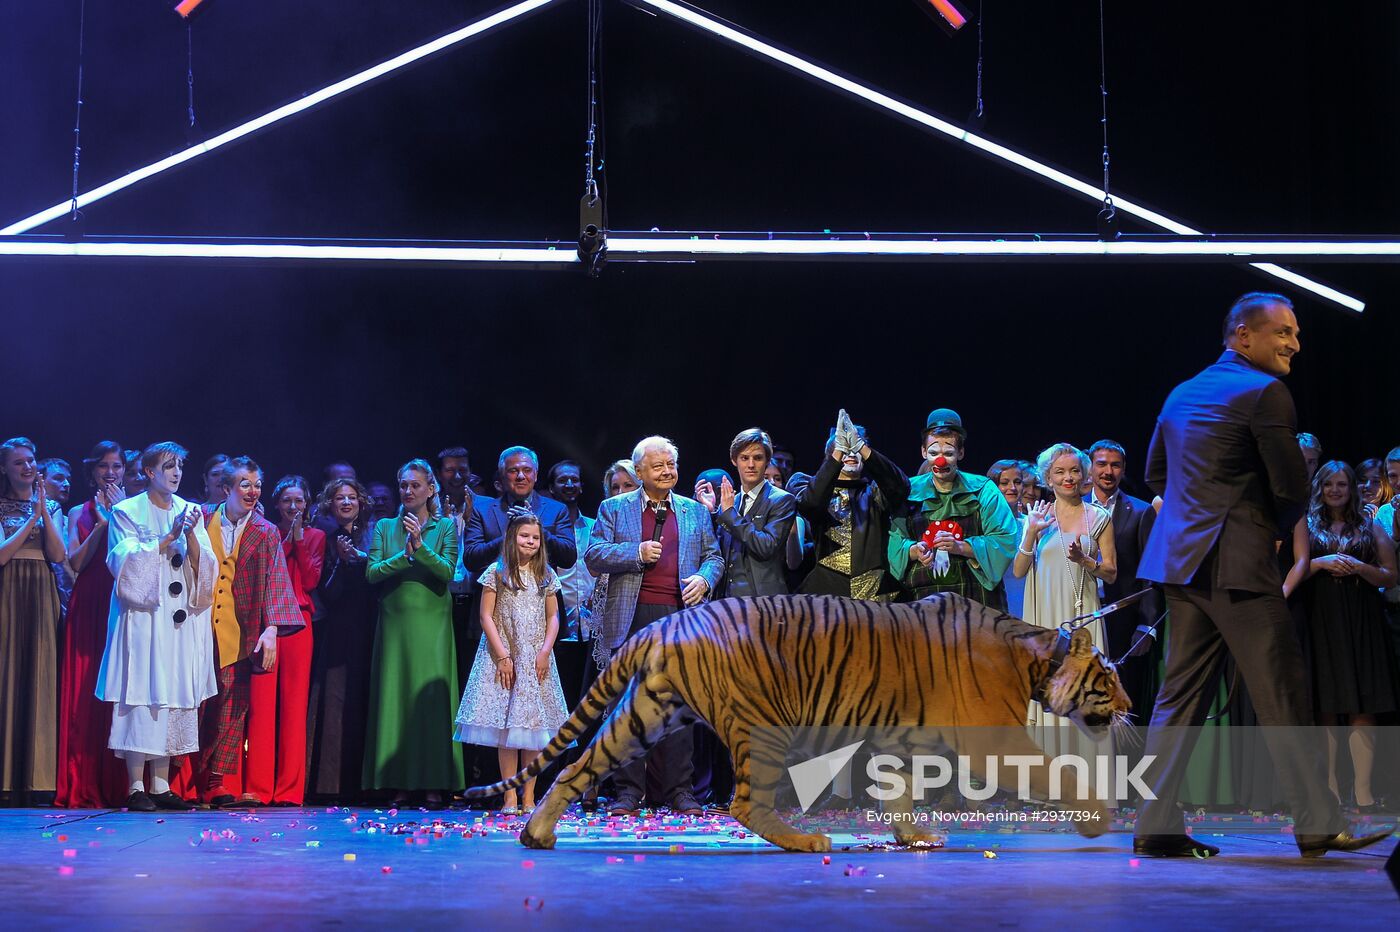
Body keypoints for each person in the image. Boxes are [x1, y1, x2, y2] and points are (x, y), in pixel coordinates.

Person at [1132, 291, 1388, 858]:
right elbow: (1293, 487)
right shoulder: (1265, 392)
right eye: (1284, 332)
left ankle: (1155, 825)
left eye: (1296, 333)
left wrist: (1194, 518)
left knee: (1177, 699)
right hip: (1239, 565)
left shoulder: (1181, 392)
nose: (1295, 343)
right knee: (1285, 694)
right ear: (1242, 336)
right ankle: (1318, 824)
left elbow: (1155, 473)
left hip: (1181, 565)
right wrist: (1266, 528)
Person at [585, 436, 723, 816]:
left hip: (680, 617)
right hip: (630, 616)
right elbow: (594, 553)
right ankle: (628, 791)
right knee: (627, 707)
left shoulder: (695, 511)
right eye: (658, 466)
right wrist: (635, 553)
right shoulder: (614, 508)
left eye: (671, 464)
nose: (667, 471)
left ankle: (681, 791)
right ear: (640, 472)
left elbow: (714, 556)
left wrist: (705, 580)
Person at [96, 442, 217, 812]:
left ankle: (162, 785)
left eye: (179, 465)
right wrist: (165, 540)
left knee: (173, 692)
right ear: (149, 472)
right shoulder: (127, 511)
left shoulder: (191, 510)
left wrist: (192, 535)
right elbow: (121, 563)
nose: (176, 473)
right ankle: (136, 785)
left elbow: (207, 565)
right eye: (168, 466)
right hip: (145, 619)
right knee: (143, 692)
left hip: (179, 622)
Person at [1283, 461, 1398, 812]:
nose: (1336, 490)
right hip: (1321, 616)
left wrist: (1360, 567)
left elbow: (1390, 576)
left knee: (1363, 705)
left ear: (1351, 488)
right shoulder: (1307, 522)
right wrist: (1321, 563)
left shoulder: (1368, 523)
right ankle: (1330, 788)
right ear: (1320, 487)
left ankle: (1362, 791)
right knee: (1327, 705)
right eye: (1329, 484)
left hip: (1361, 619)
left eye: (1343, 484)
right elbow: (1298, 566)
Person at [195, 456, 304, 808]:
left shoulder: (266, 531)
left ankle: (214, 782)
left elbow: (275, 579)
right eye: (245, 484)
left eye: (257, 485)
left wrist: (270, 629)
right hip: (194, 625)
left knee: (230, 705)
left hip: (237, 630)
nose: (253, 491)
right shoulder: (199, 518)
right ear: (226, 488)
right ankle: (181, 780)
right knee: (191, 702)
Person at [363, 459, 463, 808]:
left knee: (431, 701)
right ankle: (398, 782)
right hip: (395, 623)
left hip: (432, 622)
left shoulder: (445, 527)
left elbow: (448, 571)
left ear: (431, 489)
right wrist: (404, 558)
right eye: (403, 485)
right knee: (397, 698)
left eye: (415, 485)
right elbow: (372, 572)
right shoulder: (385, 526)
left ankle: (435, 782)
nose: (408, 491)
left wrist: (420, 546)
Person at [454, 514, 568, 813]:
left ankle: (529, 796)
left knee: (532, 730)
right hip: (503, 654)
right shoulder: (497, 572)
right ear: (511, 538)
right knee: (508, 731)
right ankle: (509, 797)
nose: (530, 542)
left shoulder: (545, 574)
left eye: (535, 537)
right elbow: (486, 616)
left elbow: (553, 616)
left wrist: (544, 651)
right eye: (524, 536)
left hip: (535, 657)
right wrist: (503, 656)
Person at [1012, 443, 1117, 753]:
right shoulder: (1038, 515)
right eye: (1060, 472)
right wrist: (1030, 533)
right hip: (1044, 618)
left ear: (1083, 474)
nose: (1068, 478)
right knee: (1049, 689)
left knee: (1086, 690)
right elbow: (1019, 571)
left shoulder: (1098, 517)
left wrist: (1085, 561)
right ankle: (1050, 787)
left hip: (1082, 617)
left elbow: (1110, 573)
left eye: (1074, 471)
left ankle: (1093, 784)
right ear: (1048, 478)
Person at [55, 441, 131, 808]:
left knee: (118, 692)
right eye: (104, 466)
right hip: (90, 602)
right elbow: (75, 564)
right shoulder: (76, 513)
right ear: (92, 471)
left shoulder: (134, 510)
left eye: (117, 465)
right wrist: (102, 524)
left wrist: (119, 515)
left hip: (123, 601)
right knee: (85, 692)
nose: (111, 472)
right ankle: (82, 782)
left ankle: (122, 783)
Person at [240, 476, 324, 805]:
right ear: (277, 504)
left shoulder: (316, 536)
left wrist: (299, 540)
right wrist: (285, 538)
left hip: (299, 623)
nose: (293, 507)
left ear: (307, 504)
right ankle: (258, 788)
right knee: (261, 707)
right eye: (287, 501)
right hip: (266, 623)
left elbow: (311, 578)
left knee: (293, 707)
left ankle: (289, 790)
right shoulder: (265, 532)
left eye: (299, 501)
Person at [888, 409, 1017, 609]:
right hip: (921, 598)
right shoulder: (908, 491)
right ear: (923, 452)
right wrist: (915, 550)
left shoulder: (983, 489)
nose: (940, 460)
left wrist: (960, 547)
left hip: (975, 597)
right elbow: (893, 540)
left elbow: (1005, 538)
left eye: (948, 453)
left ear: (961, 453)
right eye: (933, 453)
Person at [0, 437, 66, 802]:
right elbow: (3, 555)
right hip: (9, 591)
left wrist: (44, 512)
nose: (28, 467)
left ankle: (37, 779)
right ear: (5, 469)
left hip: (41, 592)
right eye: (19, 462)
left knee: (39, 675)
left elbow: (57, 554)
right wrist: (32, 519)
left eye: (31, 460)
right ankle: (6, 779)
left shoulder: (51, 505)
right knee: (7, 675)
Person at [306, 477, 379, 801]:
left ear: (361, 502)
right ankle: (332, 786)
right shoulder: (327, 539)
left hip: (371, 628)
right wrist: (340, 562)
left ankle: (368, 785)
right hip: (338, 632)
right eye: (340, 499)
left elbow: (381, 581)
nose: (346, 503)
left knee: (365, 702)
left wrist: (359, 560)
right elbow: (326, 593)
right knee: (335, 705)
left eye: (352, 497)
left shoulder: (375, 534)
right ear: (330, 506)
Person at [789, 411, 909, 601]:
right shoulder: (806, 485)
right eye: (845, 448)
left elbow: (900, 487)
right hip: (826, 595)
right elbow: (810, 504)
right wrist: (838, 449)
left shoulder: (875, 493)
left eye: (855, 449)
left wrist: (861, 446)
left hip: (876, 595)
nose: (850, 453)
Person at [1085, 439, 1161, 721]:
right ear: (1089, 468)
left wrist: (1147, 625)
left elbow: (1150, 571)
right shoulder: (1071, 509)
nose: (1108, 471)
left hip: (1124, 621)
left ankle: (1129, 764)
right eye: (1101, 464)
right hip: (1084, 617)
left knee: (1123, 703)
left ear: (1123, 469)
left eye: (1115, 465)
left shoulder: (1141, 512)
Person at [695, 428, 797, 599]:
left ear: (767, 461)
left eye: (757, 458)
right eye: (744, 458)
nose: (751, 465)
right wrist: (712, 512)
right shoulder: (730, 502)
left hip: (763, 602)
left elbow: (766, 546)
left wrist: (728, 514)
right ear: (734, 461)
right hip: (725, 601)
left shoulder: (782, 500)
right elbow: (715, 551)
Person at [463, 446, 577, 578]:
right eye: (513, 471)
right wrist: (508, 538)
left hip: (543, 595)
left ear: (535, 475)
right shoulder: (482, 510)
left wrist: (538, 530)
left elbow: (568, 558)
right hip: (495, 595)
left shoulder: (557, 509)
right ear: (502, 476)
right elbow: (471, 560)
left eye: (527, 470)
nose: (521, 476)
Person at [547, 460, 595, 640]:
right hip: (556, 624)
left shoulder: (596, 526)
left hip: (592, 626)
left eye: (574, 480)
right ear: (551, 488)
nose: (569, 485)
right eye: (562, 480)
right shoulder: (543, 532)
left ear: (581, 486)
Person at [39, 457, 75, 613]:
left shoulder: (69, 521)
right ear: (40, 480)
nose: (66, 484)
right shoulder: (32, 520)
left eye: (68, 479)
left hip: (67, 597)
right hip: (42, 591)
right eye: (58, 478)